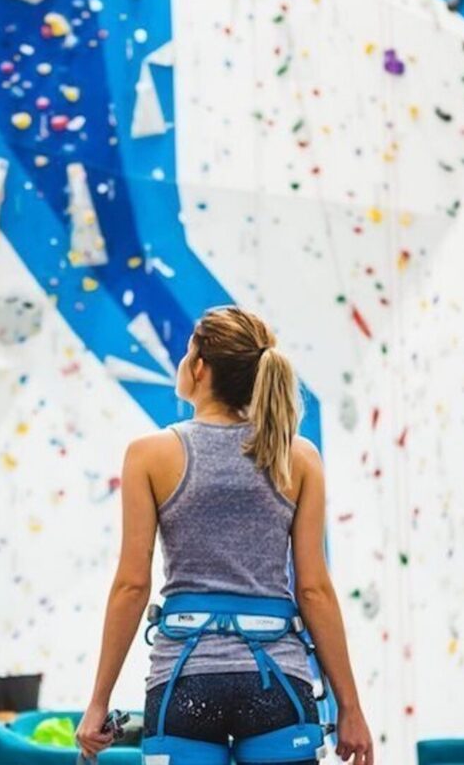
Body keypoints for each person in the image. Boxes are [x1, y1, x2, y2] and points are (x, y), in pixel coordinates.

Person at [75, 305, 374, 764]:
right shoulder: (297, 457)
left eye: (186, 351)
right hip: (276, 684)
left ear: (199, 367)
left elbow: (133, 585)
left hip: (184, 681)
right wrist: (349, 708)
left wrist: (98, 702)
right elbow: (314, 590)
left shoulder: (150, 456)